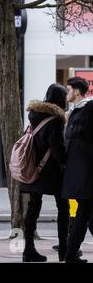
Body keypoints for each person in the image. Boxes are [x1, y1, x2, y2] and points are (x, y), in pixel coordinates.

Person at [19, 84, 69, 262]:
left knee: (33, 209)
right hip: (51, 174)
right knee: (63, 208)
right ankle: (64, 249)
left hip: (33, 169)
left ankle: (28, 250)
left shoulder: (35, 116)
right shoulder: (54, 121)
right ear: (60, 100)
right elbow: (59, 151)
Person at [62, 79, 93, 263]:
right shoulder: (77, 112)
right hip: (84, 172)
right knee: (84, 213)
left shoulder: (84, 111)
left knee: (86, 213)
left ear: (77, 92)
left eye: (69, 90)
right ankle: (71, 253)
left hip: (82, 172)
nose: (67, 94)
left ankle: (71, 253)